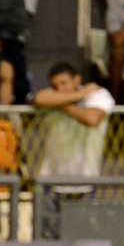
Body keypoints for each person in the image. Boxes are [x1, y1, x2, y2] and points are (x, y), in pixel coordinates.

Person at [33, 62, 114, 196]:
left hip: (85, 182)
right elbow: (40, 98)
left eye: (64, 83)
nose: (60, 89)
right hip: (50, 180)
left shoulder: (98, 95)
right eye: (55, 86)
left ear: (77, 80)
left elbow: (92, 119)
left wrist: (61, 105)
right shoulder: (56, 95)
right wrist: (81, 95)